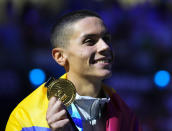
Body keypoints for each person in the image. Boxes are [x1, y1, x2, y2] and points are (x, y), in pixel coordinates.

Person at [6, 10, 141, 131]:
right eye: (89, 41)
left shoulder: (123, 111)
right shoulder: (26, 118)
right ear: (60, 56)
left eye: (106, 39)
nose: (105, 47)